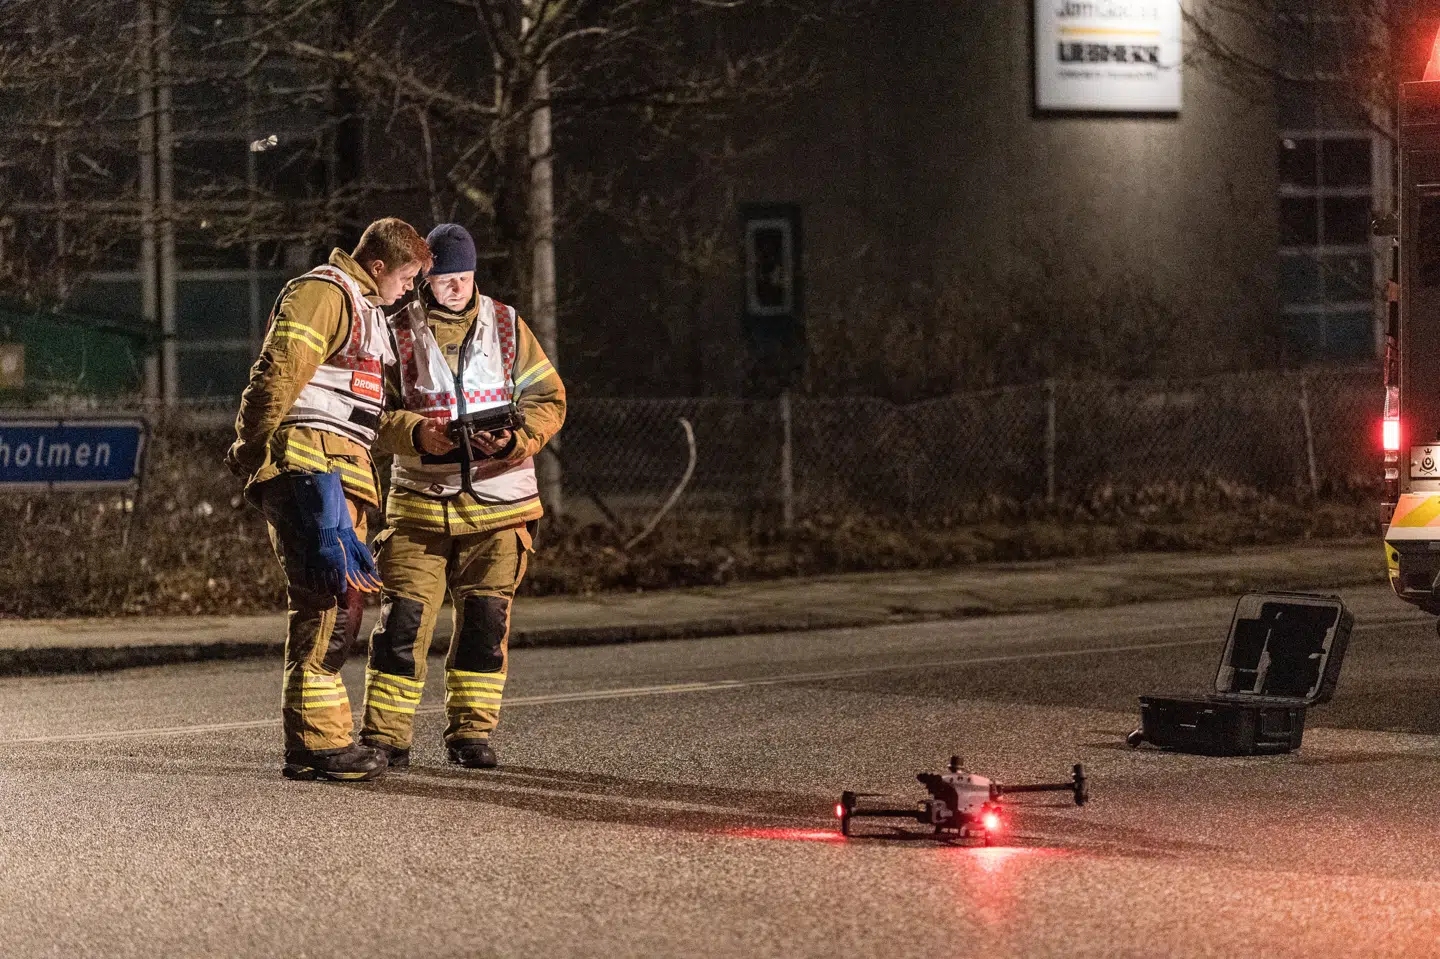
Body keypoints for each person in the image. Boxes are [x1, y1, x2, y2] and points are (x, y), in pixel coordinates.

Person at [226, 218, 432, 782]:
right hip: (312, 469)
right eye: (410, 276)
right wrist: (250, 448)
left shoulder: (364, 309)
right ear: (382, 266)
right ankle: (319, 746)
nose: (410, 290)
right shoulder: (325, 292)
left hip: (335, 469)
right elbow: (278, 374)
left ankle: (316, 744)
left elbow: (357, 416)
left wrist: (416, 433)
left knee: (337, 605)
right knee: (328, 605)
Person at [360, 223, 565, 770]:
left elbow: (547, 396)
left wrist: (517, 437)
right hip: (421, 506)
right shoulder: (394, 328)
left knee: (485, 626)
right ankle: (386, 738)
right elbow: (369, 412)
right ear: (425, 275)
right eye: (445, 279)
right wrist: (418, 433)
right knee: (402, 624)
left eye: (464, 278)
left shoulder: (506, 323)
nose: (455, 289)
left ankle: (471, 735)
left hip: (501, 506)